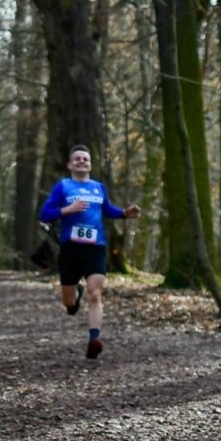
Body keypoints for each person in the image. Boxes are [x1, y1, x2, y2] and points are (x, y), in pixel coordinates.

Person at [38, 144, 141, 359]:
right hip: (70, 249)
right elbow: (44, 214)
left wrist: (124, 213)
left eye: (85, 159)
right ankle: (74, 301)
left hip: (95, 248)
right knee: (68, 301)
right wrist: (67, 210)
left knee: (96, 294)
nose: (82, 162)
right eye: (77, 159)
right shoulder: (63, 187)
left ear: (90, 164)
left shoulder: (99, 188)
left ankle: (94, 339)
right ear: (70, 164)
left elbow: (107, 210)